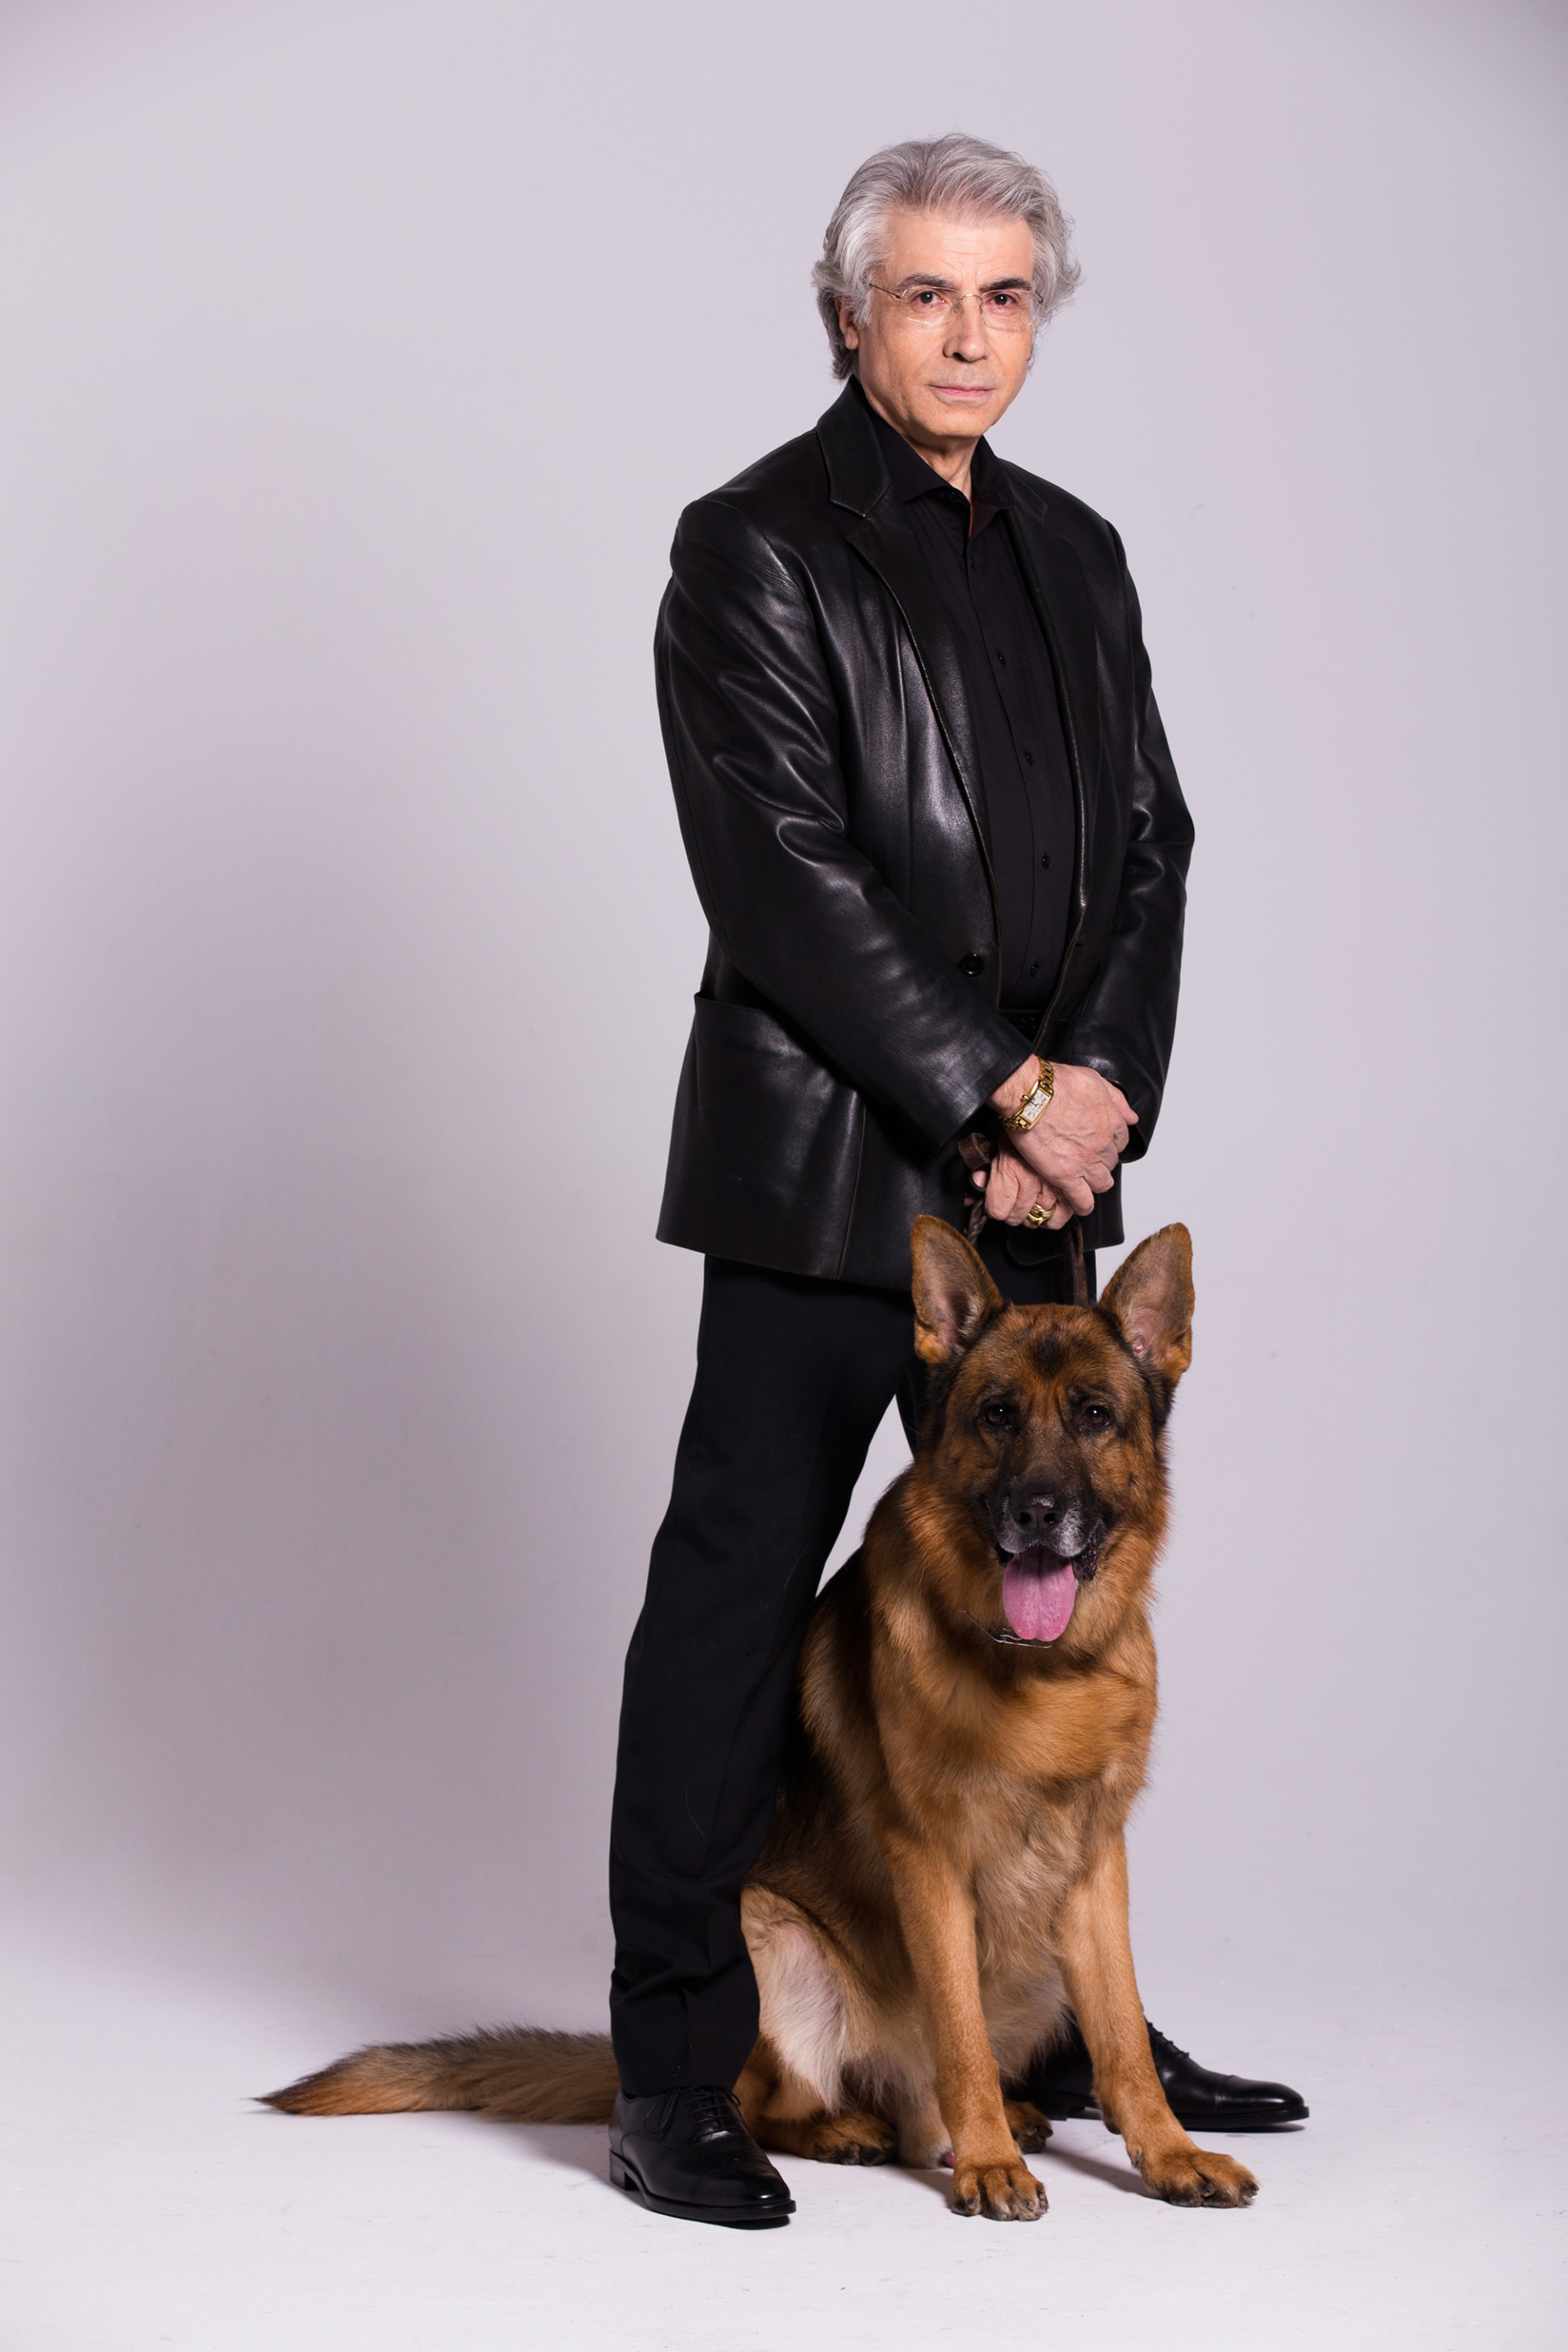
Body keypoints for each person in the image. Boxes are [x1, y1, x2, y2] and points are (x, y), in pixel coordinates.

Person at [606, 134, 1306, 2229]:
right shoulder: (750, 545)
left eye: (1005, 296)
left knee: (1058, 1606)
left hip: (1041, 1185)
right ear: (853, 317)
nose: (969, 334)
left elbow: (1155, 847)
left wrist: (1099, 1097)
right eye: (926, 294)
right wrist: (1001, 1089)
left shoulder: (1079, 551)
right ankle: (675, 2069)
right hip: (826, 1177)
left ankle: (1076, 2035)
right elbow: (784, 879)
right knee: (739, 1604)